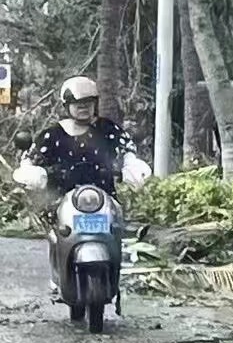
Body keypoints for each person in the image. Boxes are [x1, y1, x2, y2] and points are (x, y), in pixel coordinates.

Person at [11, 76, 152, 296]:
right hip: (63, 196)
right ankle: (58, 273)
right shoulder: (53, 134)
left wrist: (131, 165)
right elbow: (31, 158)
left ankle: (115, 269)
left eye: (88, 102)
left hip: (103, 195)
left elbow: (127, 151)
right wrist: (32, 172)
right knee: (56, 232)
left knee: (117, 227)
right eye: (78, 103)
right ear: (67, 105)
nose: (84, 107)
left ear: (95, 103)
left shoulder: (108, 129)